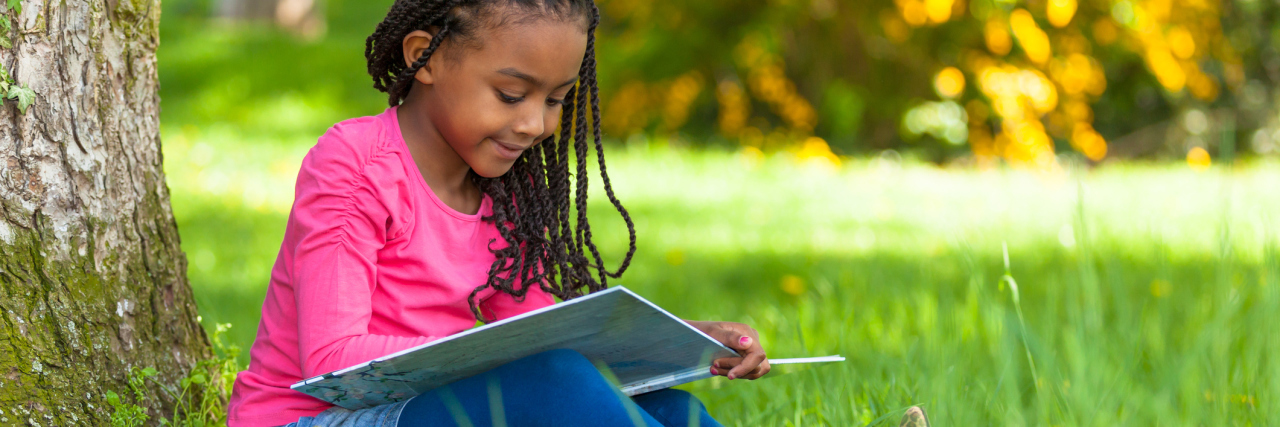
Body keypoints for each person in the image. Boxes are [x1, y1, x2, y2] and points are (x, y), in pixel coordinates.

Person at [225, 1, 772, 426]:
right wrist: (513, 362)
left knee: (670, 410)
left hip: (431, 407)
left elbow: (538, 331)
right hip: (316, 418)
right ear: (426, 57)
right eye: (512, 95)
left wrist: (684, 339)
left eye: (555, 100)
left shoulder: (507, 189)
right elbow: (332, 358)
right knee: (557, 381)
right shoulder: (354, 165)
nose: (536, 124)